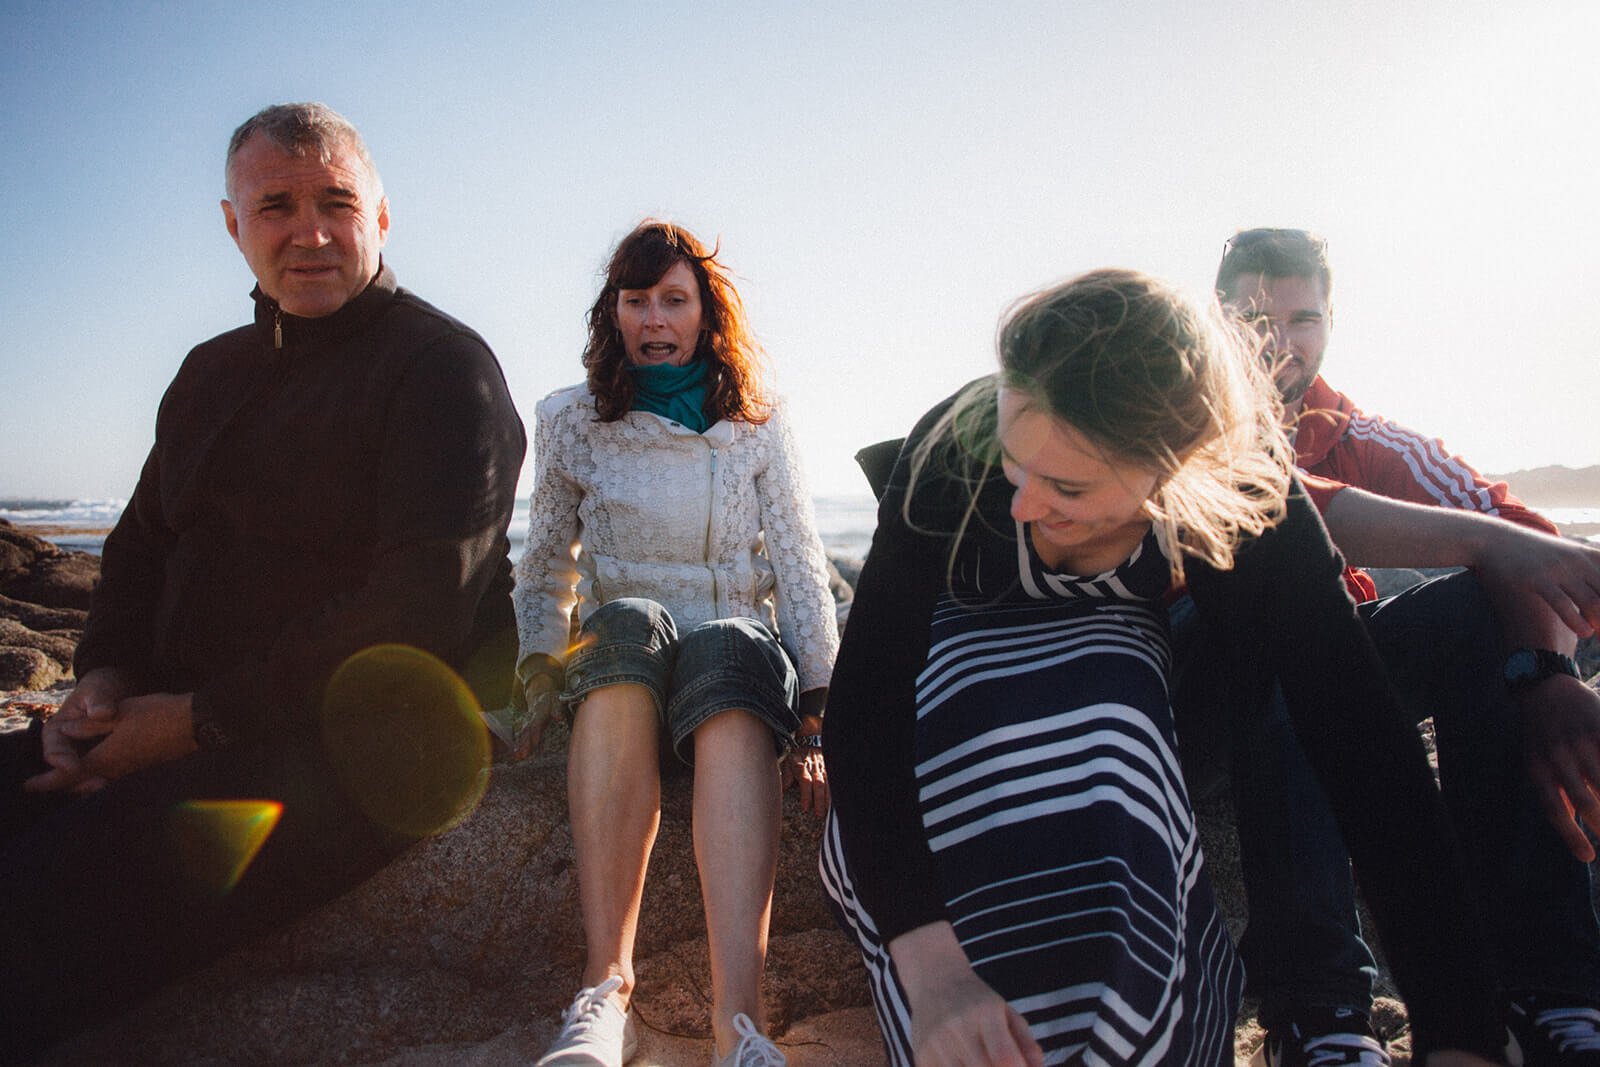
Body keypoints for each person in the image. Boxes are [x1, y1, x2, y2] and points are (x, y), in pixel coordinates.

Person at [819, 268, 1509, 1066]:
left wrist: (1460, 1033)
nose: (1020, 505)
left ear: (1174, 471)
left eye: (1066, 486)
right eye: (1015, 463)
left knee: (1116, 742)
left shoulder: (1241, 484)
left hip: (1123, 664)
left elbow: (1361, 738)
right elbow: (865, 712)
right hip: (961, 653)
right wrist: (934, 969)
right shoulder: (954, 446)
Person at [0, 102, 526, 1060]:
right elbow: (139, 548)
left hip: (362, 749)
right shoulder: (208, 372)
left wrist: (194, 721)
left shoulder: (444, 370)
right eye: (276, 205)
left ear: (382, 215)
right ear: (233, 225)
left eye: (337, 201)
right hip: (178, 715)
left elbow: (415, 609)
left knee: (41, 905)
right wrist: (106, 682)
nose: (311, 232)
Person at [1170, 227, 1600, 1066]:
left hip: (1328, 696)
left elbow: (1533, 546)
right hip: (1194, 692)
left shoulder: (1359, 435)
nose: (1278, 340)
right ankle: (1318, 1010)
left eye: (1303, 318)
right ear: (1213, 320)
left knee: (1482, 606)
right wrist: (1485, 546)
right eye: (1253, 317)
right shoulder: (1173, 419)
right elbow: (1274, 505)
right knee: (1287, 601)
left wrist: (1543, 671)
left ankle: (1548, 991)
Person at [508, 220, 839, 1067]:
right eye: (637, 299)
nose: (655, 318)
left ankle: (741, 1026)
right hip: (629, 673)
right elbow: (547, 559)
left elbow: (800, 560)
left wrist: (818, 715)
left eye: (674, 300)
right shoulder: (572, 420)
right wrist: (540, 669)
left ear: (705, 314)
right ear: (613, 314)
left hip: (730, 665)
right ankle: (602, 995)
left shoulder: (756, 421)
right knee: (622, 623)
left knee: (729, 645)